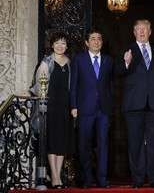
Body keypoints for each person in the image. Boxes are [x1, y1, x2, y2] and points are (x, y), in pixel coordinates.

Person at [115, 19, 154, 188]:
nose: (141, 32)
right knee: (135, 143)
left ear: (150, 31)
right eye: (138, 29)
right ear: (134, 32)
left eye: (144, 29)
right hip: (133, 104)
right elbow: (118, 72)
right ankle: (138, 180)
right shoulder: (127, 50)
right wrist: (126, 62)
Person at [30, 32, 75, 189]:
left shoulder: (70, 63)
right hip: (51, 107)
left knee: (62, 141)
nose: (60, 46)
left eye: (63, 43)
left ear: (66, 46)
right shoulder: (46, 62)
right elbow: (38, 87)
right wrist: (42, 106)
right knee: (52, 140)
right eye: (57, 43)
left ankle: (59, 175)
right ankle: (55, 177)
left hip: (65, 107)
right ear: (52, 45)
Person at [70, 28, 113, 189]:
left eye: (99, 39)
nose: (96, 41)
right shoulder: (79, 60)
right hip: (84, 108)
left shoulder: (109, 60)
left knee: (103, 144)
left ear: (102, 42)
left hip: (103, 110)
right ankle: (87, 179)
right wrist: (74, 106)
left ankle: (102, 179)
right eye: (93, 39)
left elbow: (110, 86)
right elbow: (73, 85)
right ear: (87, 42)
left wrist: (110, 107)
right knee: (85, 144)